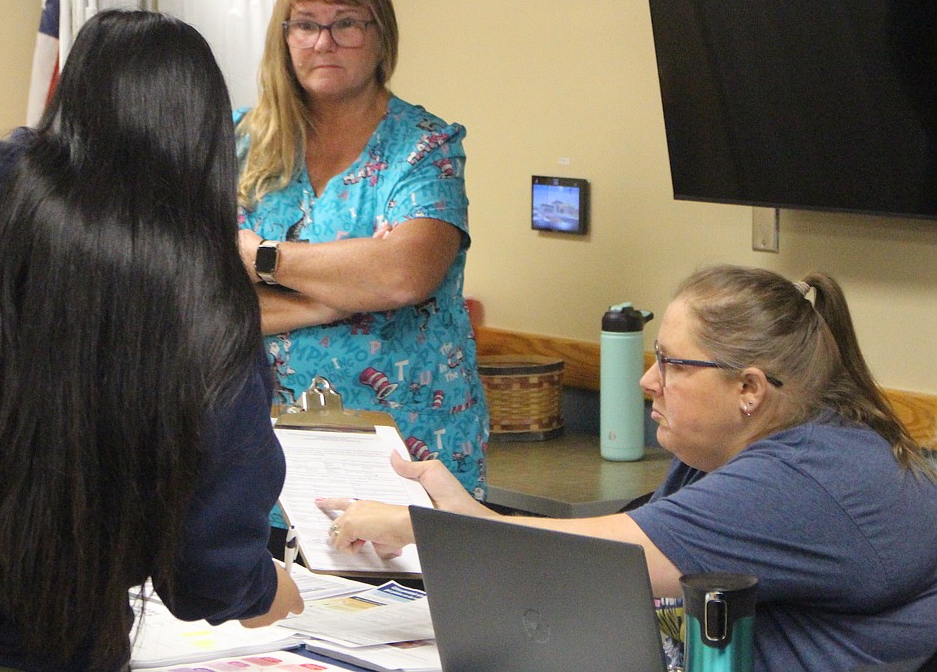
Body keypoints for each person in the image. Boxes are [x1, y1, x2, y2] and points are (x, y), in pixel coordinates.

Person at [0, 10, 302, 672]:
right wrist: (264, 587)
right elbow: (207, 562)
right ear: (201, 143)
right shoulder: (191, 284)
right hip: (40, 647)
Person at [320, 265, 937, 671]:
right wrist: (467, 517)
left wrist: (415, 527)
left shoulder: (805, 479)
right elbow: (599, 555)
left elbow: (598, 568)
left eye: (670, 362)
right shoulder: (741, 450)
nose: (648, 381)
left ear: (749, 387)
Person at [233, 0, 490, 537]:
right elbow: (203, 302)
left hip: (407, 463)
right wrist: (341, 295)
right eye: (306, 25)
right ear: (284, 37)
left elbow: (403, 275)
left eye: (345, 23)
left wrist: (260, 259)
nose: (324, 41)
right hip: (261, 465)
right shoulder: (236, 145)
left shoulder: (424, 147)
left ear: (380, 37)